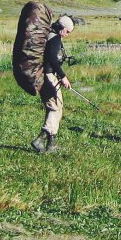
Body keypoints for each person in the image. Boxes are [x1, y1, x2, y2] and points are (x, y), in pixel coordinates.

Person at [31, 14, 74, 153]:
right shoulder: (55, 39)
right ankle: (40, 139)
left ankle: (51, 144)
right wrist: (63, 77)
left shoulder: (50, 35)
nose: (67, 34)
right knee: (55, 108)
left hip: (48, 76)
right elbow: (53, 60)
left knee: (55, 108)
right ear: (62, 28)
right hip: (50, 76)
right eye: (67, 32)